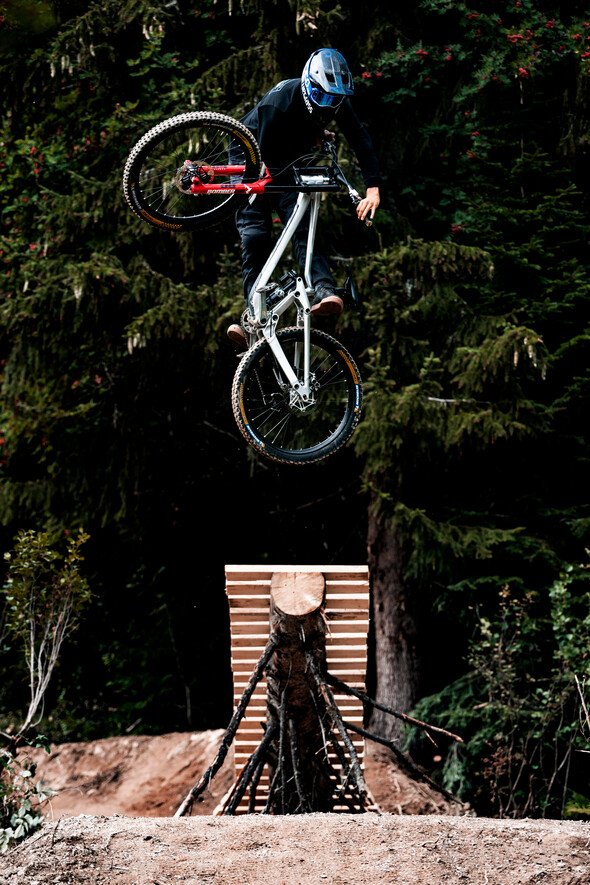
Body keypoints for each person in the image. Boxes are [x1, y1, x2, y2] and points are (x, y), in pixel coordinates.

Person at [227, 48, 381, 348]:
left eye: (335, 100)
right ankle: (252, 315)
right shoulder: (281, 98)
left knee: (301, 226)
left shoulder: (337, 103)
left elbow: (360, 139)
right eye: (323, 98)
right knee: (255, 235)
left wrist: (373, 188)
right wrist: (313, 136)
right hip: (252, 153)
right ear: (309, 86)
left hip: (286, 158)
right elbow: (265, 152)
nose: (329, 106)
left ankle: (324, 289)